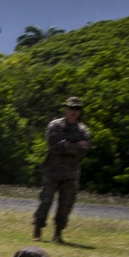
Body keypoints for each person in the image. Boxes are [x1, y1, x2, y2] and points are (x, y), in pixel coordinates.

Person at [32, 96, 91, 243]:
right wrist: (74, 146)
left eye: (77, 109)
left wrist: (66, 145)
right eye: (71, 108)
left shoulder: (83, 130)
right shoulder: (55, 125)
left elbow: (84, 151)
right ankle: (37, 230)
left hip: (71, 173)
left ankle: (58, 234)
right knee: (45, 200)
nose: (74, 111)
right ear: (66, 109)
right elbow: (53, 145)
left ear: (80, 112)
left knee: (66, 204)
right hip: (52, 170)